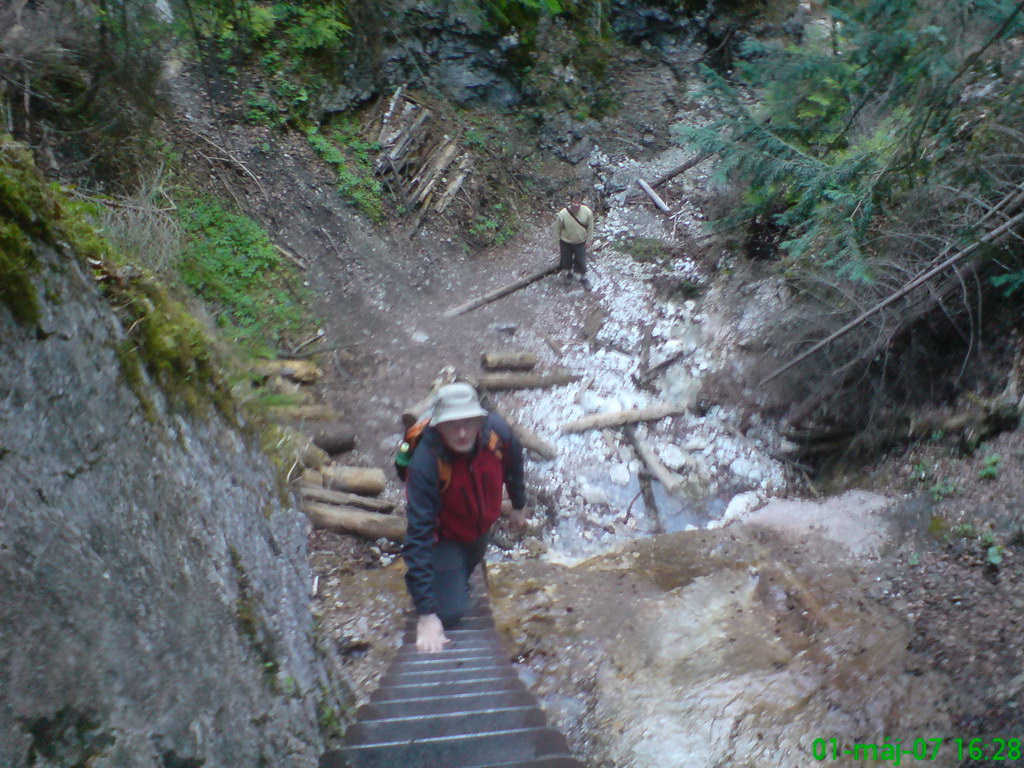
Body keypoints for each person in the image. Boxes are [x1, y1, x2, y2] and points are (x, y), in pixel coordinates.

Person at [402, 382, 527, 652]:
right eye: (451, 425)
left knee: (467, 566)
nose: (461, 433)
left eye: (468, 423)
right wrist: (426, 614)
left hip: (481, 525)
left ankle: (454, 578)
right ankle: (437, 584)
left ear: (479, 420)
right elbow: (418, 535)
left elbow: (515, 464)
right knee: (447, 615)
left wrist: (518, 504)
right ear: (438, 426)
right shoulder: (426, 462)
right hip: (445, 533)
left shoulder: (498, 434)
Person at [554, 193, 595, 290]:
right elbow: (557, 228)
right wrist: (555, 242)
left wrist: (589, 240)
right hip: (565, 242)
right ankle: (569, 274)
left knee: (581, 261)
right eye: (574, 202)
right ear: (570, 202)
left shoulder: (587, 212)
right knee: (566, 260)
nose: (576, 205)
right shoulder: (563, 214)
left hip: (580, 242)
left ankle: (583, 277)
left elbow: (590, 227)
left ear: (581, 202)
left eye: (578, 202)